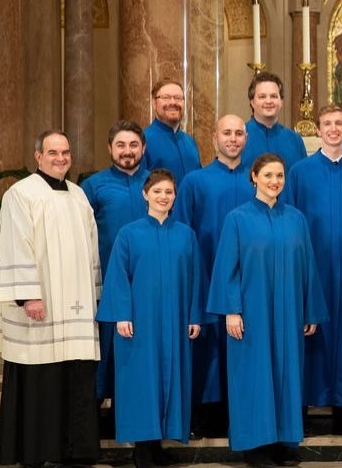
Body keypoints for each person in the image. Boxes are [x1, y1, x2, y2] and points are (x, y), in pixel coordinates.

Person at [207, 153, 328, 468]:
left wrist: (309, 311)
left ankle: (284, 441)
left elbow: (308, 268)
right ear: (254, 178)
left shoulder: (296, 219)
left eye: (280, 176)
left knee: (287, 374)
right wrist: (232, 311)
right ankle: (256, 447)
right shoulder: (238, 218)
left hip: (288, 313)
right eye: (268, 175)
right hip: (253, 314)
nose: (275, 181)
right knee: (254, 376)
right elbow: (227, 268)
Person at [0, 130, 101, 467]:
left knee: (76, 374)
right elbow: (16, 243)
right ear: (38, 156)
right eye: (53, 153)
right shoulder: (21, 194)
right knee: (42, 375)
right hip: (40, 305)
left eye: (66, 152)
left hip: (76, 304)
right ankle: (40, 450)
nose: (60, 159)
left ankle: (76, 449)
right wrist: (28, 296)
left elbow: (92, 247)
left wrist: (95, 294)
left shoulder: (78, 195)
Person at [96, 169, 204, 468]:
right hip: (140, 323)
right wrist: (121, 315)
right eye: (157, 191)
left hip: (175, 321)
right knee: (142, 382)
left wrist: (194, 315)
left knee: (171, 379)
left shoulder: (186, 234)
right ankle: (142, 449)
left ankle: (159, 445)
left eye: (168, 192)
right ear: (146, 194)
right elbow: (118, 276)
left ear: (174, 197)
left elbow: (196, 278)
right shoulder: (129, 234)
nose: (163, 197)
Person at [284, 104, 342, 434]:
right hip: (314, 268)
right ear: (318, 130)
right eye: (327, 124)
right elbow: (291, 223)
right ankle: (304, 410)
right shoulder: (300, 172)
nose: (334, 129)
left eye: (339, 123)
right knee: (312, 336)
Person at [171, 114, 253, 435]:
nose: (232, 139)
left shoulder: (257, 180)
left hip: (249, 282)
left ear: (246, 139)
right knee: (208, 348)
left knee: (244, 344)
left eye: (238, 133)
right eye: (226, 133)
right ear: (214, 138)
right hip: (205, 275)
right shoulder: (195, 181)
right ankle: (207, 415)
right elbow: (182, 232)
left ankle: (243, 413)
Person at [81, 120, 149, 409]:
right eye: (120, 145)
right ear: (110, 148)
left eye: (133, 145)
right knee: (105, 352)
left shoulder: (156, 185)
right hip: (108, 282)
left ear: (143, 148)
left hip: (148, 285)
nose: (127, 151)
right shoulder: (93, 186)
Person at [242, 72, 307, 170]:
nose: (268, 101)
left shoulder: (294, 140)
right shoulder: (239, 137)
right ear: (252, 102)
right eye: (262, 97)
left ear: (281, 102)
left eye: (273, 96)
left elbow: (302, 178)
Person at [143, 78, 202, 185]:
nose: (173, 102)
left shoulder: (190, 142)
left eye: (178, 98)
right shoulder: (143, 140)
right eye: (166, 98)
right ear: (154, 103)